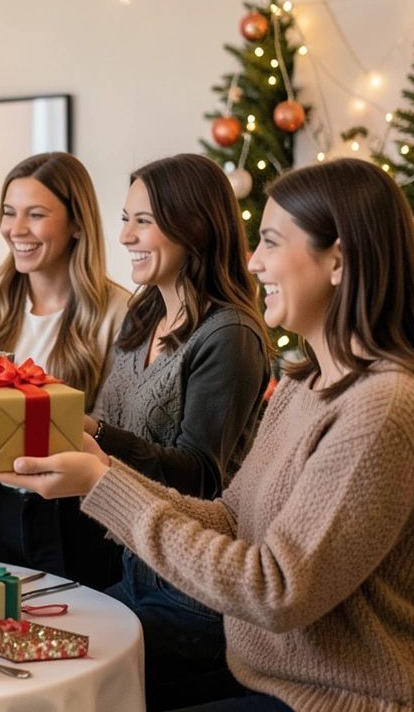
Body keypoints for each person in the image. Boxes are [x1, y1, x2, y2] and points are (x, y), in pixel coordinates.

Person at [0, 158, 414, 711]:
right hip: (270, 676)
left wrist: (103, 485)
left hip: (353, 699)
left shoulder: (383, 407)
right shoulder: (306, 383)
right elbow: (230, 516)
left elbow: (275, 589)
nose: (254, 261)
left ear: (338, 259)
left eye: (270, 242)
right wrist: (101, 471)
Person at [88, 153, 272, 708]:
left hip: (190, 595)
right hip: (133, 565)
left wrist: (93, 433)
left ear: (194, 225)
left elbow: (200, 478)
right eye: (125, 218)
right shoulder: (141, 314)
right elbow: (109, 426)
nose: (124, 236)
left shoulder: (230, 334)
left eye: (143, 221)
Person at [0, 152, 131, 588]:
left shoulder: (119, 313)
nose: (17, 229)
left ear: (76, 224)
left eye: (36, 214)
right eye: (9, 213)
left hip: (79, 515)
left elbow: (121, 431)